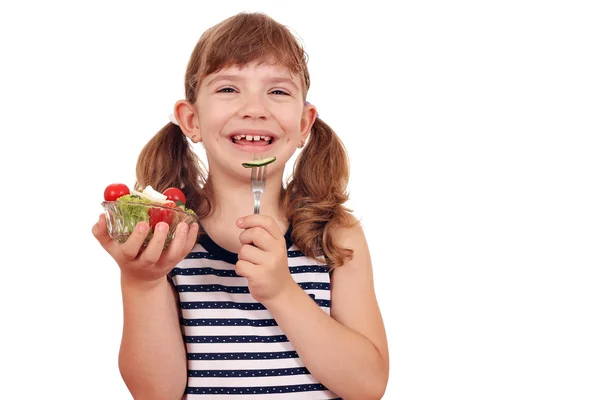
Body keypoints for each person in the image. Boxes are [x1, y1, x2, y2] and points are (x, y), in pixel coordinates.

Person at [92, 11, 388, 400]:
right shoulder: (164, 238)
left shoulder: (335, 234)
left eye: (278, 91)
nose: (254, 108)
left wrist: (282, 292)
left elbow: (368, 385)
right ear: (191, 119)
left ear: (304, 124)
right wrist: (141, 282)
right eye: (228, 89)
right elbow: (156, 394)